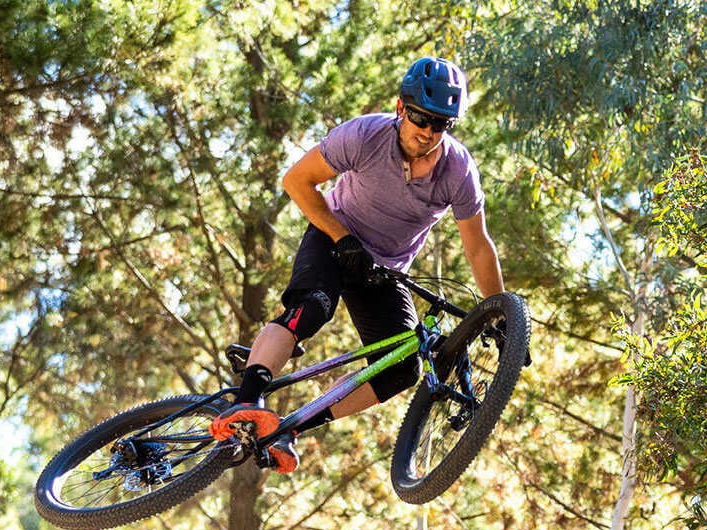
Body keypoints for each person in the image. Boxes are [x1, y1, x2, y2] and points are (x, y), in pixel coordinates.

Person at [207, 57, 504, 474]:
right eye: (420, 117)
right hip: (333, 237)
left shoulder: (458, 171)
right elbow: (297, 180)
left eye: (440, 124)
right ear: (402, 107)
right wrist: (342, 238)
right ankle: (245, 402)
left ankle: (291, 428)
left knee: (403, 369)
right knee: (311, 307)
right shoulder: (365, 135)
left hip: (382, 270)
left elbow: (477, 247)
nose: (428, 131)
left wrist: (501, 314)